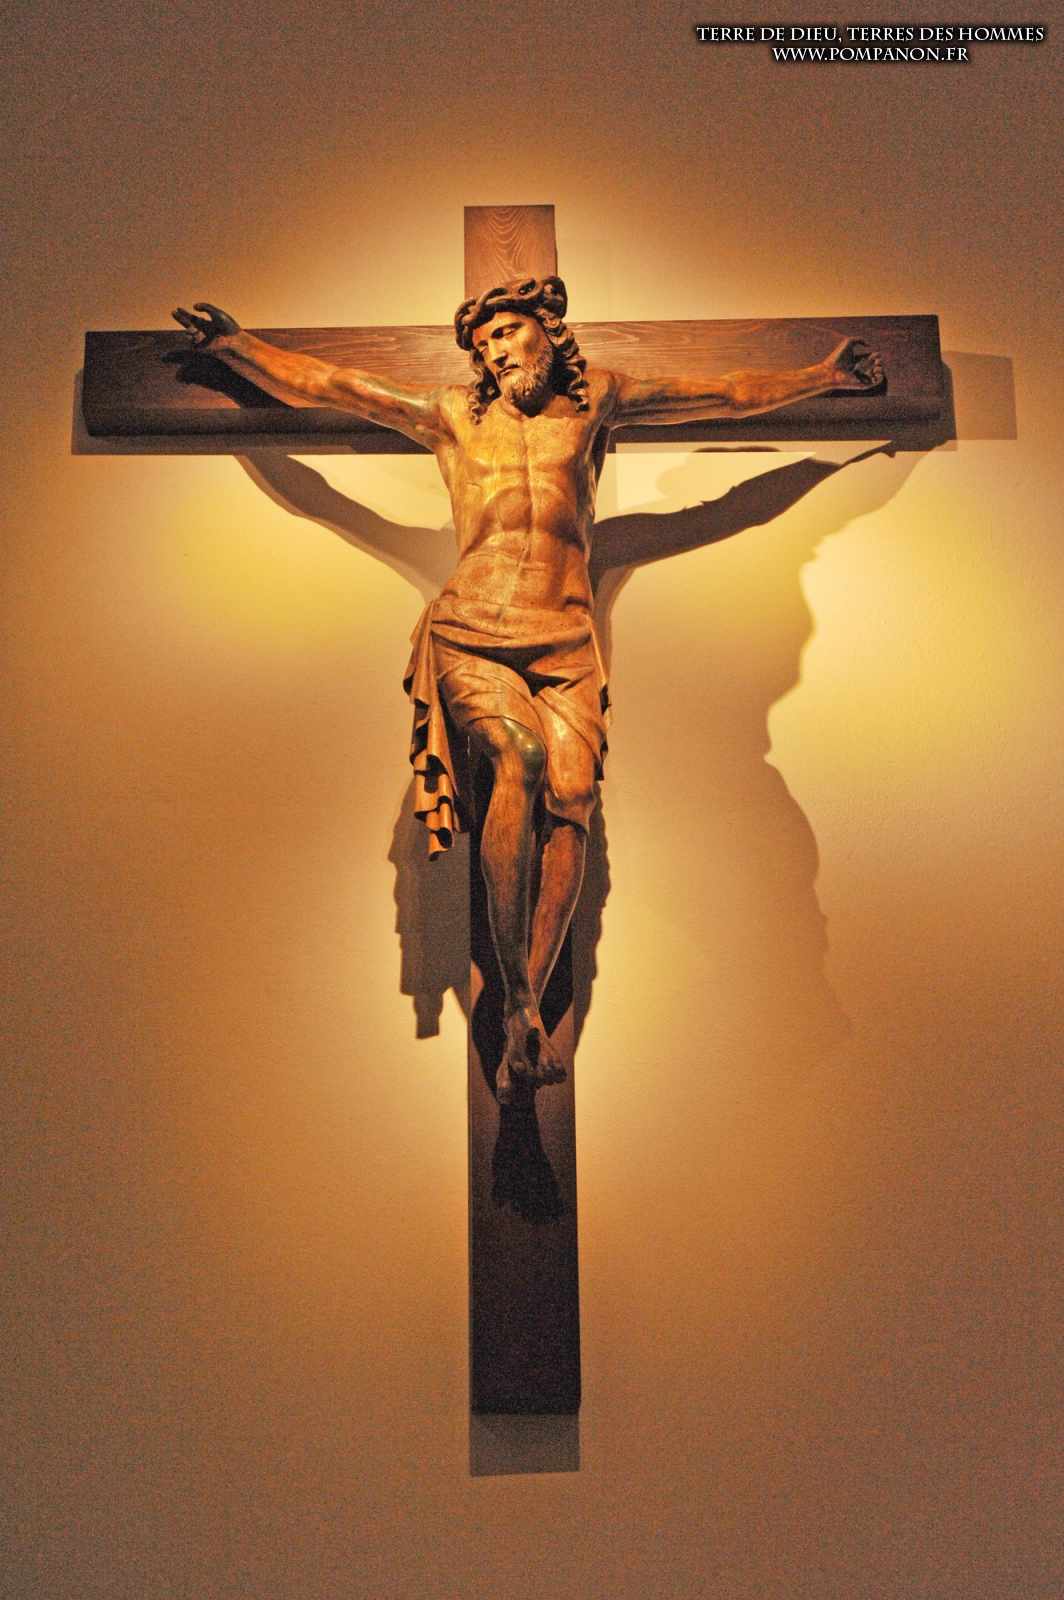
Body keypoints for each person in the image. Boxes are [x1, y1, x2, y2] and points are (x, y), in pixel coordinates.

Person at [173, 279, 882, 1102]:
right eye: (484, 345)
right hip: (474, 627)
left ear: (548, 332)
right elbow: (337, 386)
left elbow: (722, 393)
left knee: (573, 795)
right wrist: (239, 349)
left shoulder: (599, 401)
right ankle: (515, 1002)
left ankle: (526, 1011)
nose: (496, 352)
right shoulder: (452, 415)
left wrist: (823, 377)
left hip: (567, 638)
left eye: (507, 332)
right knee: (518, 756)